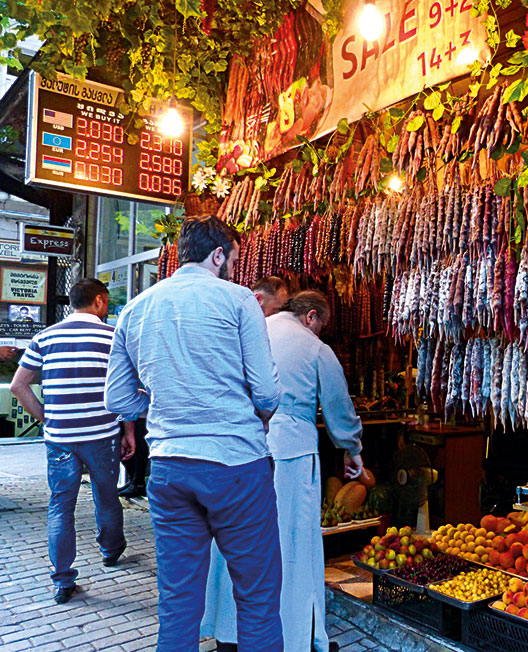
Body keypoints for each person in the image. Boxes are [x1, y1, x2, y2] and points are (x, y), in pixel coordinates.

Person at [104, 216, 283, 652]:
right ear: (217, 255)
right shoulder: (239, 300)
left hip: (169, 467)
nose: (235, 269)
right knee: (257, 598)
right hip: (236, 465)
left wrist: (167, 408)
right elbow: (266, 392)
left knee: (179, 600)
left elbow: (117, 398)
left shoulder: (136, 307)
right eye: (234, 259)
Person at [202, 290, 362, 652]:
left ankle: (230, 632)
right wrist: (352, 449)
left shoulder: (254, 328)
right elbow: (338, 406)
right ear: (311, 317)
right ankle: (291, 636)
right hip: (291, 453)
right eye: (321, 325)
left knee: (236, 542)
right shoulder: (314, 346)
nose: (320, 333)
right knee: (291, 544)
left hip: (238, 446)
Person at [10, 278, 135, 604]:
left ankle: (63, 580)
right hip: (102, 436)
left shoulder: (44, 337)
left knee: (60, 507)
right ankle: (110, 550)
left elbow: (18, 386)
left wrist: (47, 419)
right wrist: (129, 431)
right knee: (106, 497)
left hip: (60, 439)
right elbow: (125, 390)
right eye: (106, 303)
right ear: (98, 301)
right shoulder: (113, 338)